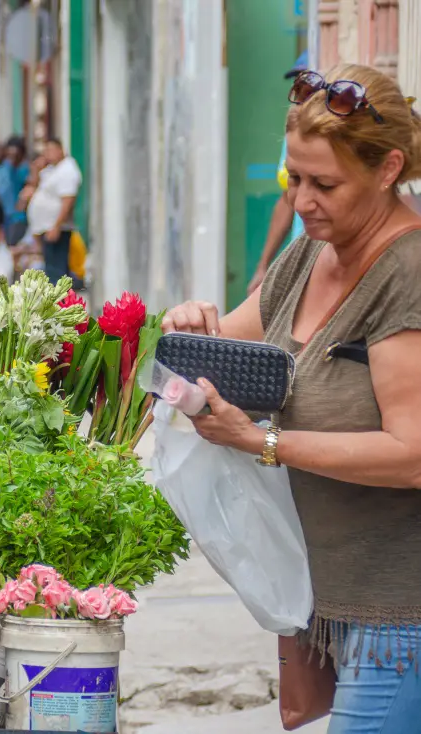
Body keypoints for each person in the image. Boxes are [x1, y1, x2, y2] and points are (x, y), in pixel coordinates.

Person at [162, 64, 421, 732]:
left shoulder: (407, 273)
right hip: (328, 604)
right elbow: (228, 349)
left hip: (401, 611)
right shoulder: (310, 256)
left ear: (389, 168)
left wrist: (263, 441)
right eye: (294, 179)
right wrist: (190, 328)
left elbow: (412, 453)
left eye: (324, 184)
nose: (302, 201)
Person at [248, 52, 310, 294]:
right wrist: (264, 266)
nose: (302, 98)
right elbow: (286, 200)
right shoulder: (291, 136)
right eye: (298, 90)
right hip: (299, 254)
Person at [25, 138, 82, 284]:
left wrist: (56, 226)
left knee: (57, 271)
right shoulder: (52, 169)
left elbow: (68, 200)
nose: (48, 155)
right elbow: (36, 185)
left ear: (60, 150)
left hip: (56, 227)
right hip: (46, 226)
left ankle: (60, 303)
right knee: (50, 268)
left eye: (50, 150)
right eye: (46, 151)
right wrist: (36, 170)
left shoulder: (67, 170)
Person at [0, 136, 31, 247]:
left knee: (14, 248)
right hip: (5, 216)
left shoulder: (24, 169)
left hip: (18, 217)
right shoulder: (5, 167)